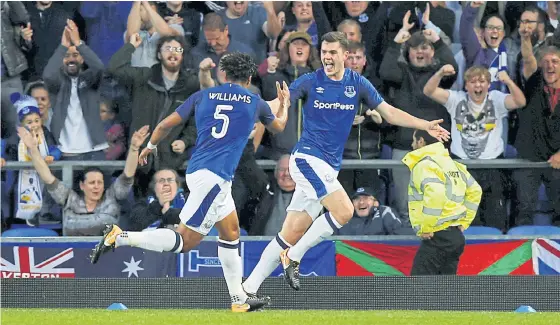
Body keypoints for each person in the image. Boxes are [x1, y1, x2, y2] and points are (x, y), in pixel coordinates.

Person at [242, 31, 450, 294]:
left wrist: (425, 125)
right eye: (324, 52)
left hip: (327, 167)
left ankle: (247, 290)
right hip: (307, 159)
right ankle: (294, 257)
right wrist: (252, 107)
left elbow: (389, 112)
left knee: (288, 234)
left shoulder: (358, 83)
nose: (327, 57)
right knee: (344, 211)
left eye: (332, 52)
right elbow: (276, 104)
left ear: (345, 55)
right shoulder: (310, 81)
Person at [90, 52, 290, 312]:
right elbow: (279, 127)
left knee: (231, 233)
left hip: (201, 172)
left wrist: (150, 146)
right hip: (215, 178)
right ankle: (120, 237)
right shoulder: (254, 101)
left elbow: (164, 125)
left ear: (223, 74)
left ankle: (239, 300)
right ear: (250, 77)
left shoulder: (202, 96)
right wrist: (284, 103)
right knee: (185, 242)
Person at [403, 130, 482, 275]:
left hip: (437, 236)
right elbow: (475, 191)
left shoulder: (424, 164)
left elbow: (436, 193)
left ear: (421, 141)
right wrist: (464, 222)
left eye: (414, 140)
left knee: (419, 292)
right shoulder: (453, 164)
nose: (412, 144)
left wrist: (427, 227)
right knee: (445, 291)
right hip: (456, 237)